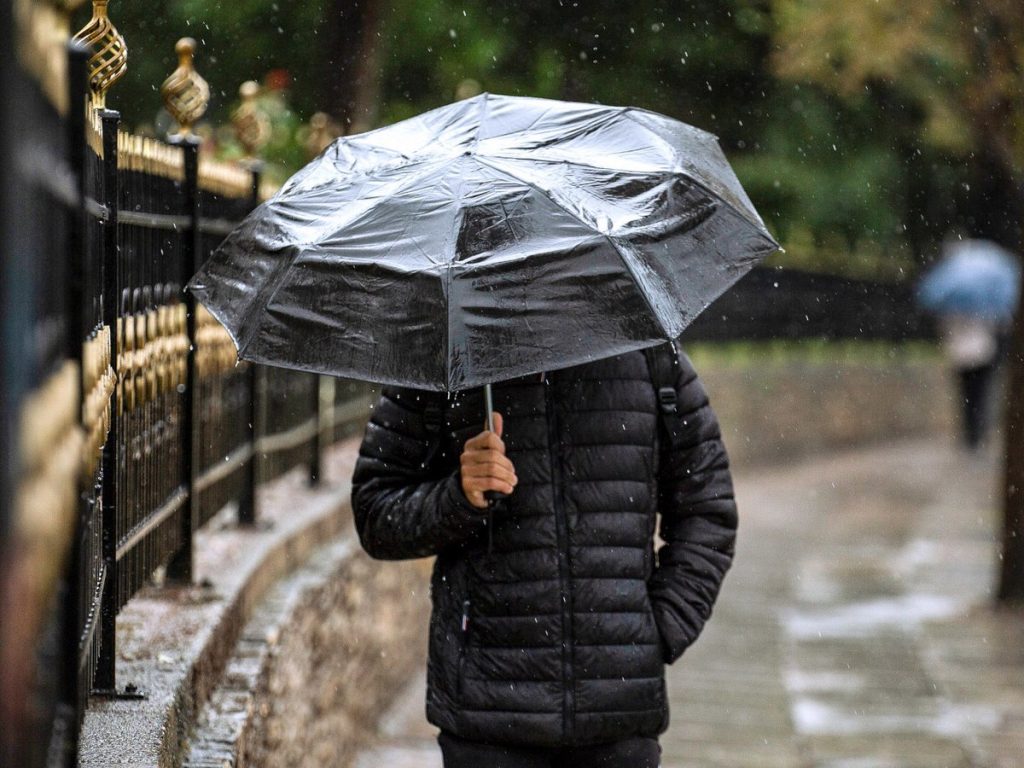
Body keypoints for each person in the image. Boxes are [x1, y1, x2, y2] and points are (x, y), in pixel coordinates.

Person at [351, 342, 736, 768]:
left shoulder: (649, 352)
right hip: (488, 715)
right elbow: (375, 514)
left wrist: (658, 628)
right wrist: (459, 495)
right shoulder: (444, 356)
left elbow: (707, 510)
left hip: (617, 717)